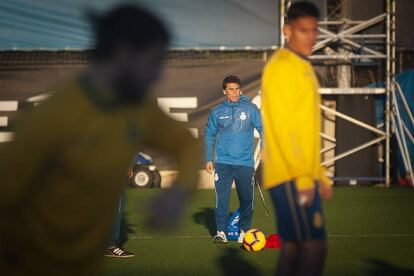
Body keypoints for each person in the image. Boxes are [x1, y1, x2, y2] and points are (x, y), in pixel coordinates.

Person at [0, 5, 201, 275]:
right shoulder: (52, 119)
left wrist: (179, 192)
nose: (158, 74)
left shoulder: (136, 106)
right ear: (123, 52)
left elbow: (186, 144)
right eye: (153, 62)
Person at [261, 2, 333, 275]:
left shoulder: (304, 67)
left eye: (315, 30)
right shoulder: (280, 67)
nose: (311, 36)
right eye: (303, 30)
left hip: (302, 174)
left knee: (293, 248)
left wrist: (320, 175)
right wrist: (305, 179)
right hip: (290, 176)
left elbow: (305, 132)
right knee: (314, 246)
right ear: (287, 30)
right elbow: (283, 130)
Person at [205, 75, 263, 244]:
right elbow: (209, 135)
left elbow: (262, 129)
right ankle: (221, 232)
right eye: (230, 89)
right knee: (221, 200)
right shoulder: (216, 112)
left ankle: (244, 232)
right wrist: (209, 158)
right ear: (224, 91)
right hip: (223, 163)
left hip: (245, 163)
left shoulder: (251, 109)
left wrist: (265, 148)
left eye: (237, 88)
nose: (234, 92)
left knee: (246, 200)